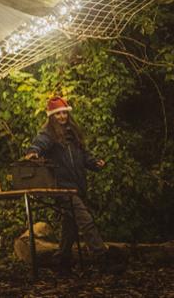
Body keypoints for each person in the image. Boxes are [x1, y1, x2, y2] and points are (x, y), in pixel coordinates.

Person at [23, 96, 114, 273]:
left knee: (70, 225)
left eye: (64, 113)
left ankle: (61, 260)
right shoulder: (49, 133)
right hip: (61, 187)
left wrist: (95, 163)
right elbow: (40, 143)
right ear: (52, 116)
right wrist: (33, 151)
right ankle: (102, 257)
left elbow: (84, 156)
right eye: (58, 114)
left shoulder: (73, 133)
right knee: (85, 220)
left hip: (77, 186)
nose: (62, 116)